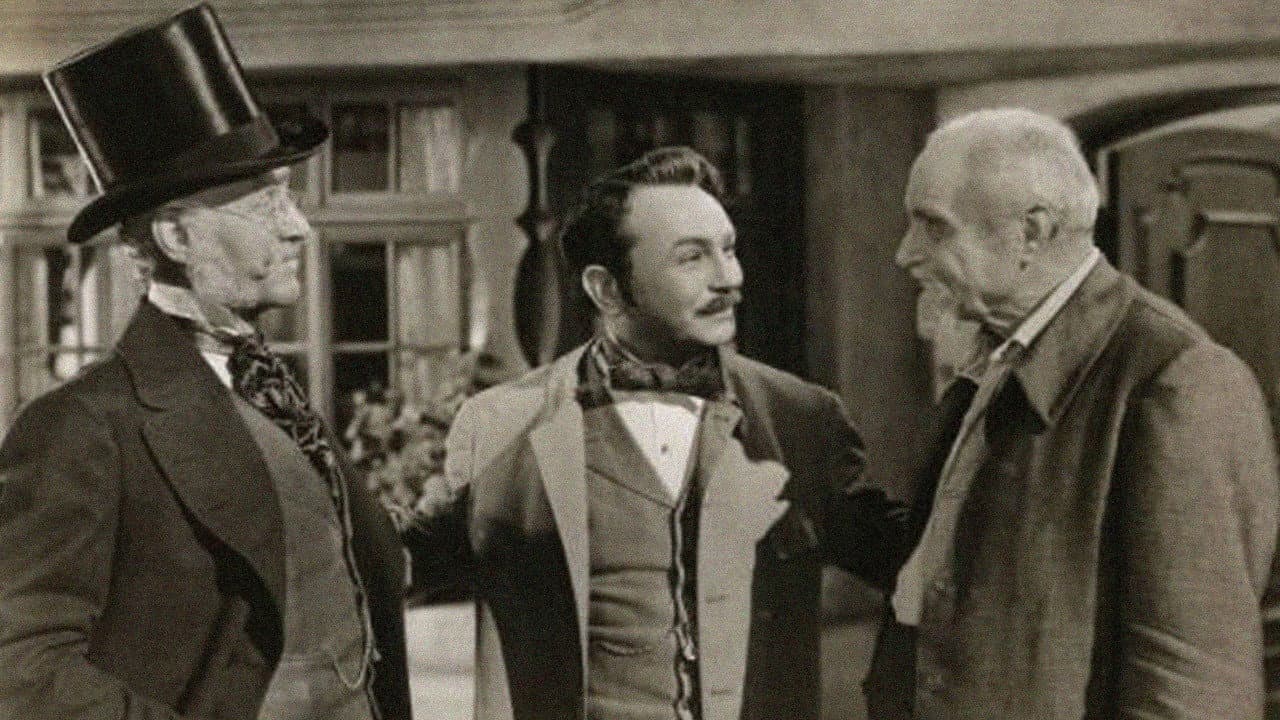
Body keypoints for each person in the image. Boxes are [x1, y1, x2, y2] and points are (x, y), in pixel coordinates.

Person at [0, 6, 410, 719]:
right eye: (266, 203)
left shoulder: (269, 390)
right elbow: (20, 668)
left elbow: (334, 563)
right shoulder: (82, 427)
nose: (299, 227)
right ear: (175, 236)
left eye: (290, 199)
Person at [403, 146, 909, 720]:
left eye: (729, 249)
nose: (730, 279)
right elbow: (403, 565)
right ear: (606, 289)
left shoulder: (801, 419)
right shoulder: (504, 426)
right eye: (692, 257)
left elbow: (917, 561)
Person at [865, 107, 1280, 719]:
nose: (906, 254)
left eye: (934, 227)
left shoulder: (1176, 381)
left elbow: (1193, 689)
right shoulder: (998, 354)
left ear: (1032, 233)